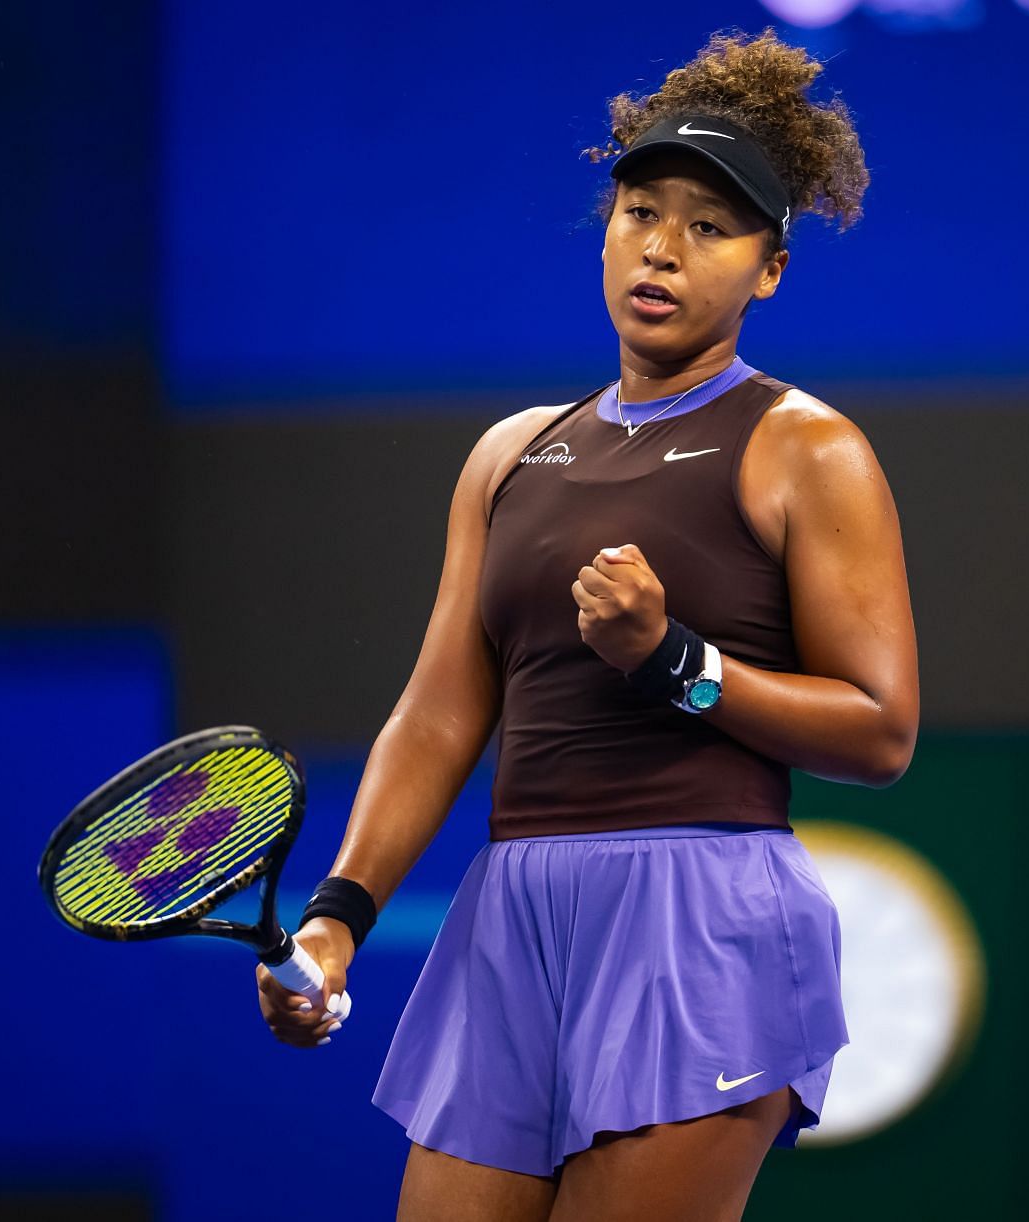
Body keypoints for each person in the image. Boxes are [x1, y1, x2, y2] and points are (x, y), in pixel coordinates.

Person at [256, 27, 917, 1221]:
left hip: (702, 923)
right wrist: (338, 918)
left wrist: (676, 663)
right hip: (513, 922)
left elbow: (880, 731)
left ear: (770, 269)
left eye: (709, 228)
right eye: (640, 210)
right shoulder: (510, 455)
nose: (662, 248)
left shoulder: (806, 449)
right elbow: (441, 713)